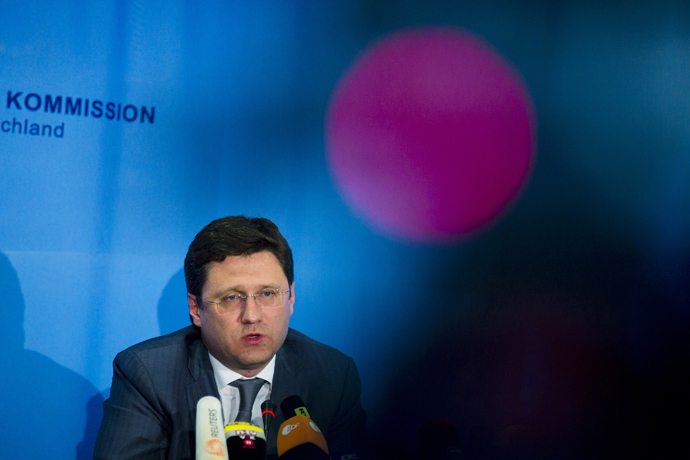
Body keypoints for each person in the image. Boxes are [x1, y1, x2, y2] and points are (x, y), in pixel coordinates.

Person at [94, 216, 369, 459]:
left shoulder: (333, 375)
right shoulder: (149, 375)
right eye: (231, 297)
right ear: (196, 309)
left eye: (268, 294)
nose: (251, 315)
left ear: (292, 297)